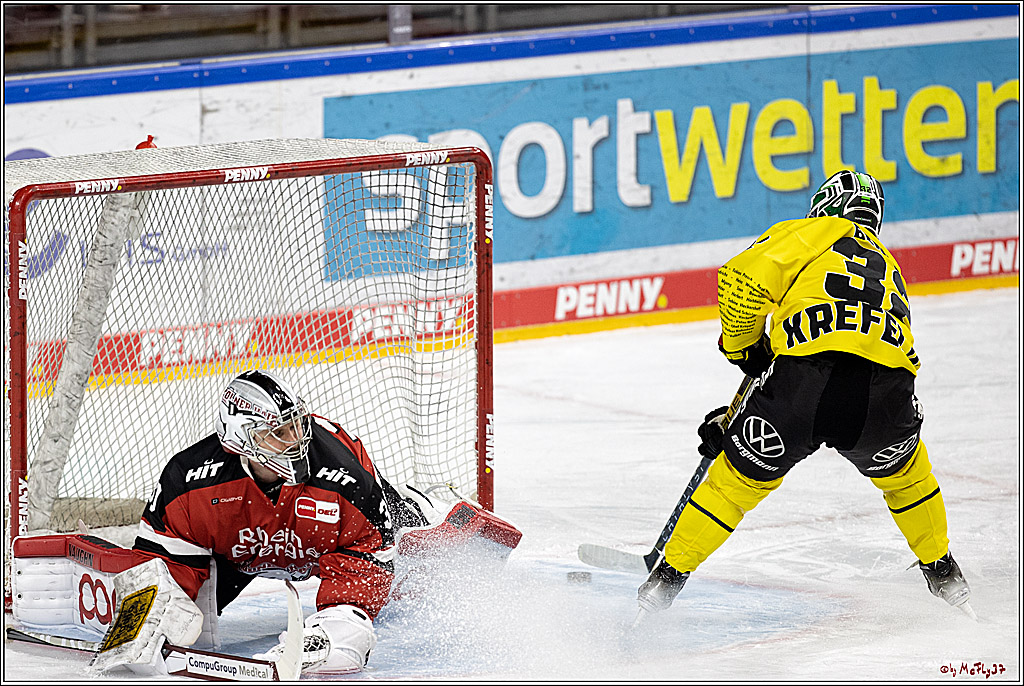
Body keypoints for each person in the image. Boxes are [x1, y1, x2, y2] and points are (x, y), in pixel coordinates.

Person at [637, 170, 972, 618]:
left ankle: (665, 580)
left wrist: (744, 351)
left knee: (732, 486)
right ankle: (944, 572)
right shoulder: (887, 266)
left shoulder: (814, 231)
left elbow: (742, 280)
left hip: (803, 388)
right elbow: (852, 332)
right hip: (885, 400)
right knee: (909, 479)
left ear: (827, 203)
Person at [91, 368, 518, 676]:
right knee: (176, 624)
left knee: (365, 622)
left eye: (296, 426)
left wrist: (330, 631)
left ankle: (419, 506)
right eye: (277, 433)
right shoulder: (187, 482)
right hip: (236, 554)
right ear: (239, 438)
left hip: (328, 545)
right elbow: (161, 568)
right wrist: (143, 620)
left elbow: (362, 570)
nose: (295, 441)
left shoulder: (345, 480)